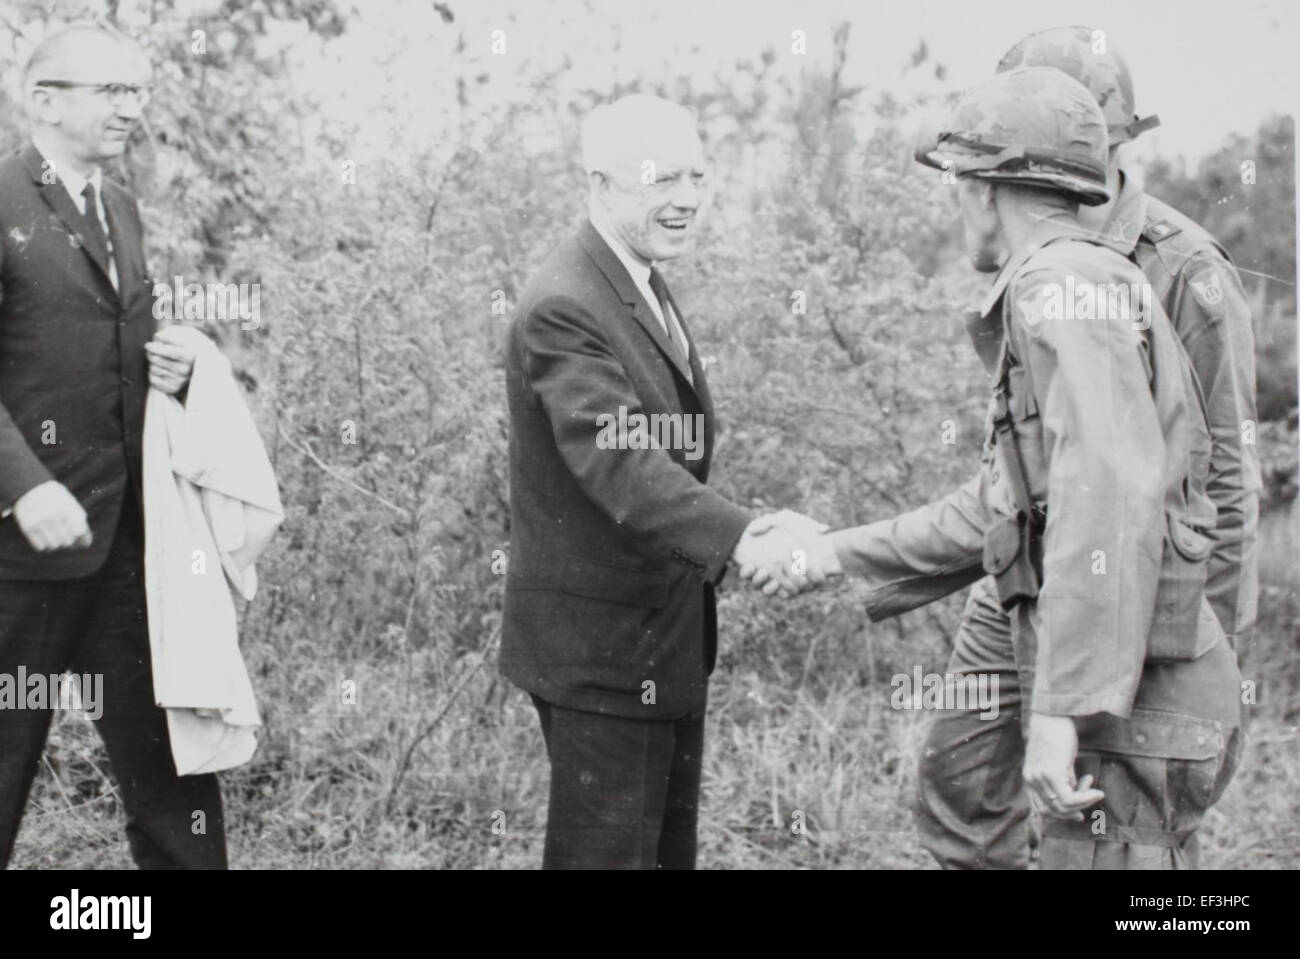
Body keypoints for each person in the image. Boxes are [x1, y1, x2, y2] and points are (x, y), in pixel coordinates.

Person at [756, 67, 1243, 869]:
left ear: (984, 190)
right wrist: (826, 553)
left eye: (958, 187)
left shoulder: (1057, 285)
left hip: (1138, 703)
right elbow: (999, 509)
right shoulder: (1077, 277)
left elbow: (1105, 497)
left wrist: (1059, 711)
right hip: (1131, 687)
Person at [500, 93, 814, 869]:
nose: (688, 197)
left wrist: (740, 531)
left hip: (661, 643)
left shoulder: (635, 277)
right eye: (662, 178)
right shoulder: (565, 303)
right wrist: (743, 538)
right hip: (605, 658)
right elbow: (624, 460)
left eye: (697, 176)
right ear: (601, 185)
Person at [0, 24, 225, 868]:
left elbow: (109, 345)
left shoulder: (119, 208)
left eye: (138, 90)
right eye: (111, 90)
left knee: (173, 777)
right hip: (19, 561)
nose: (132, 107)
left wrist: (176, 360)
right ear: (44, 100)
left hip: (128, 549)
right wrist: (24, 485)